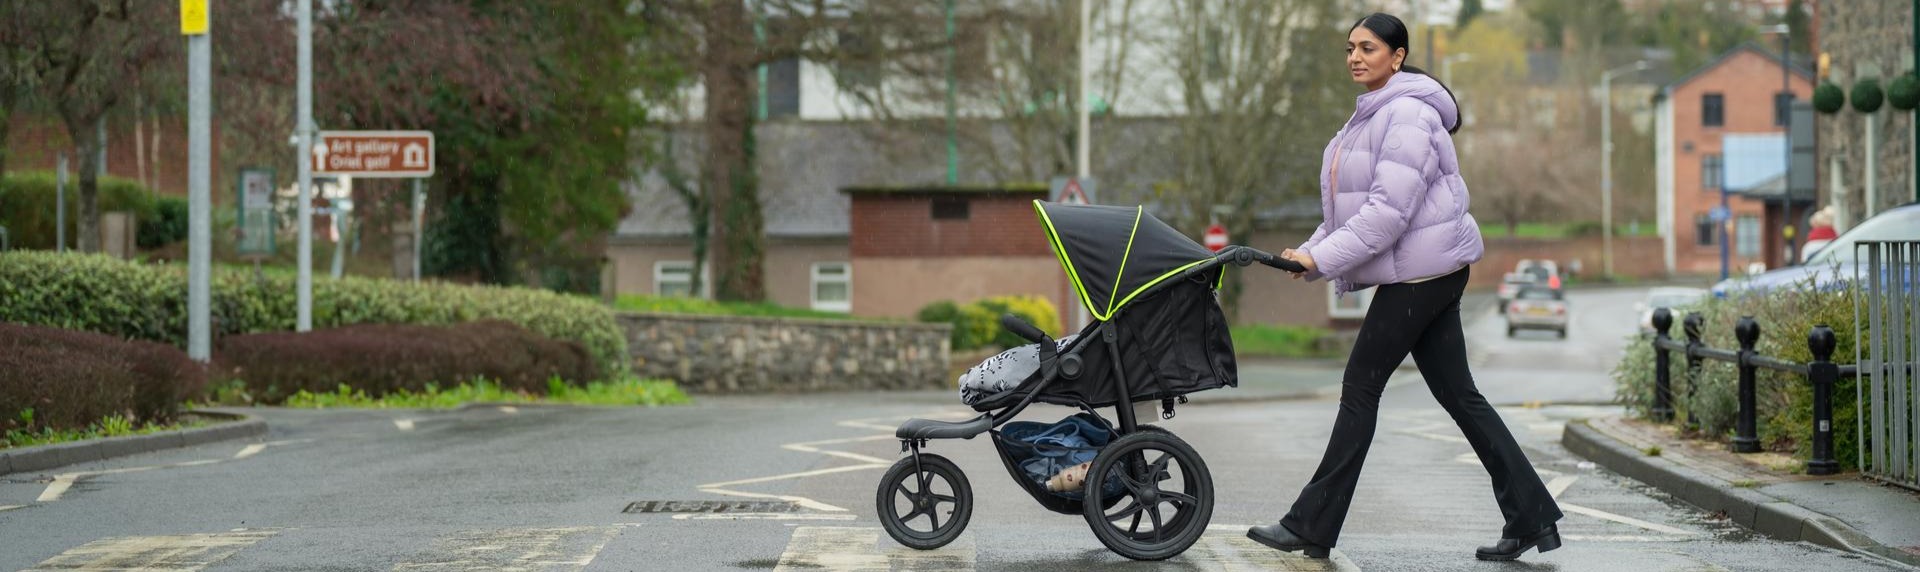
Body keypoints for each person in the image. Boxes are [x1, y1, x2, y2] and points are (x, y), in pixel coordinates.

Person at [1244, 12, 1564, 562]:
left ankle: (1311, 525)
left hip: (1424, 272)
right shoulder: (1371, 115)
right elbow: (1350, 210)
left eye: (1368, 47)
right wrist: (1310, 253)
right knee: (1458, 392)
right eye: (1349, 47)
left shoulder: (1409, 116)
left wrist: (1322, 257)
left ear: (1398, 55)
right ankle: (1532, 515)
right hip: (1427, 267)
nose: (1354, 56)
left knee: (1360, 384)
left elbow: (1387, 216)